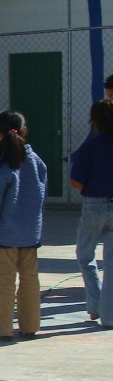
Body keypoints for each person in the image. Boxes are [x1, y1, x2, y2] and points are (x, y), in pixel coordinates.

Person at [0, 110, 47, 342]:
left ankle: (1, 329)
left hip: (6, 234)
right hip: (30, 233)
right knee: (30, 280)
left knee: (5, 280)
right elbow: (39, 198)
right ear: (24, 131)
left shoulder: (0, 162)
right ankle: (30, 326)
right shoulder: (37, 162)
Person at [69, 99, 113, 329]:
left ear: (94, 122)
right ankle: (109, 315)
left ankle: (94, 305)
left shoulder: (90, 147)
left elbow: (76, 181)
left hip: (94, 206)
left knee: (86, 257)